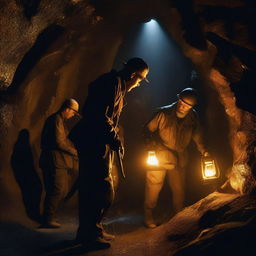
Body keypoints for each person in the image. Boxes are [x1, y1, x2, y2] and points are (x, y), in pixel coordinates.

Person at [70, 57, 149, 249]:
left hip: (96, 140)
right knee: (98, 188)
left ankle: (91, 230)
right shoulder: (111, 84)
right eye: (140, 80)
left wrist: (113, 138)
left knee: (97, 187)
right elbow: (99, 115)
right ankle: (89, 235)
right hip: (93, 141)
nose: (139, 85)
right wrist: (113, 137)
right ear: (132, 75)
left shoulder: (118, 86)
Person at [143, 88, 209, 228]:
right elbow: (147, 129)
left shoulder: (193, 117)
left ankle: (178, 216)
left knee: (179, 189)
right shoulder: (163, 113)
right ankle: (148, 215)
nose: (182, 106)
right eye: (181, 101)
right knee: (154, 185)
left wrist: (203, 150)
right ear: (178, 99)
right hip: (161, 154)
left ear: (191, 107)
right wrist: (151, 145)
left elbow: (197, 135)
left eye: (186, 105)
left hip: (180, 156)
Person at [39, 98, 80, 228]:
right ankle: (47, 219)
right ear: (67, 109)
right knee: (56, 189)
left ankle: (50, 216)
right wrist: (75, 152)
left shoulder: (60, 121)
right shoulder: (56, 119)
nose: (73, 115)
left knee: (60, 189)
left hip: (58, 161)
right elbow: (59, 142)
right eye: (73, 113)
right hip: (54, 161)